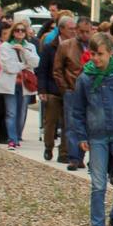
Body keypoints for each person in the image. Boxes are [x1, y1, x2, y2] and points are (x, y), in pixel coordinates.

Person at [67, 33, 113, 226]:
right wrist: (80, 135)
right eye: (93, 54)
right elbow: (77, 110)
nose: (96, 59)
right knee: (98, 184)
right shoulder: (85, 79)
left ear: (110, 53)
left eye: (100, 54)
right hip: (96, 134)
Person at [54, 17, 94, 171]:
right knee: (71, 124)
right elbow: (57, 70)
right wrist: (65, 89)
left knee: (88, 124)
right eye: (81, 31)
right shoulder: (66, 46)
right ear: (76, 30)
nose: (84, 34)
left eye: (87, 31)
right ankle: (73, 158)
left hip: (90, 91)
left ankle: (82, 155)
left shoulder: (95, 46)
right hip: (71, 89)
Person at [0, 19, 40, 150]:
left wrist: (24, 51)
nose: (20, 33)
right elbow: (8, 66)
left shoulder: (30, 47)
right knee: (11, 112)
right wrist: (24, 65)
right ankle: (12, 139)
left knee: (22, 112)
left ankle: (18, 135)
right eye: (17, 30)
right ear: (13, 32)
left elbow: (36, 62)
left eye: (22, 30)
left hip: (25, 84)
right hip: (10, 83)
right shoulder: (5, 46)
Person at [38, 15, 73, 164]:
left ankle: (64, 152)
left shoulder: (75, 47)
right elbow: (43, 70)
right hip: (52, 90)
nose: (73, 31)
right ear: (62, 29)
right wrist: (42, 90)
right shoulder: (49, 47)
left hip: (70, 90)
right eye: (70, 29)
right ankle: (48, 146)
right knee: (50, 121)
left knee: (68, 122)